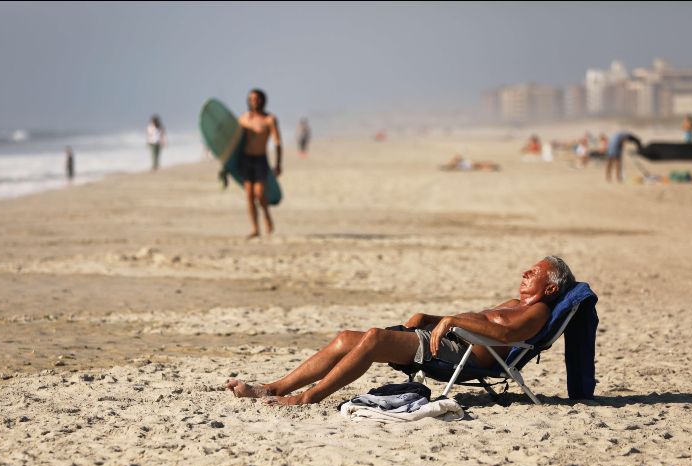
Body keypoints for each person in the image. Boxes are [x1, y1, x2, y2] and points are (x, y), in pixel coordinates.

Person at [226, 256, 575, 406]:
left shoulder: (537, 312)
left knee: (376, 338)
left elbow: (500, 336)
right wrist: (433, 317)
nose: (526, 273)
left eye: (535, 272)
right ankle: (272, 387)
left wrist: (450, 320)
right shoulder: (514, 301)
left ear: (550, 288)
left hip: (465, 355)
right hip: (451, 341)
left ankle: (306, 398)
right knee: (348, 338)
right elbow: (484, 323)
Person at [238, 89, 282, 239]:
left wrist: (278, 164)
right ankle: (255, 228)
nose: (253, 101)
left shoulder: (269, 119)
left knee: (260, 193)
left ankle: (267, 215)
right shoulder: (243, 119)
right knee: (249, 195)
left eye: (256, 99)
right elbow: (233, 142)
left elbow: (277, 142)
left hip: (260, 160)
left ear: (262, 100)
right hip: (245, 160)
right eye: (251, 99)